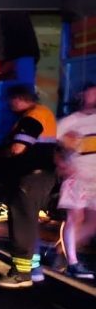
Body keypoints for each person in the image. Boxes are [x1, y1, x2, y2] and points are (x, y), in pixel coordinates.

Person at [0, 85, 59, 288]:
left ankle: (20, 274)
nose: (9, 104)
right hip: (39, 178)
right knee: (29, 223)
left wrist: (1, 153)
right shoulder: (44, 114)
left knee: (22, 225)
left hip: (29, 179)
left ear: (19, 98)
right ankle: (34, 268)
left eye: (11, 99)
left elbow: (17, 148)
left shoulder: (34, 116)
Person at [56, 83, 96, 279]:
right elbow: (51, 145)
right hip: (77, 176)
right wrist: (62, 164)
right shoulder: (69, 122)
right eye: (90, 94)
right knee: (76, 217)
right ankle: (73, 262)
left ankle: (62, 250)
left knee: (93, 221)